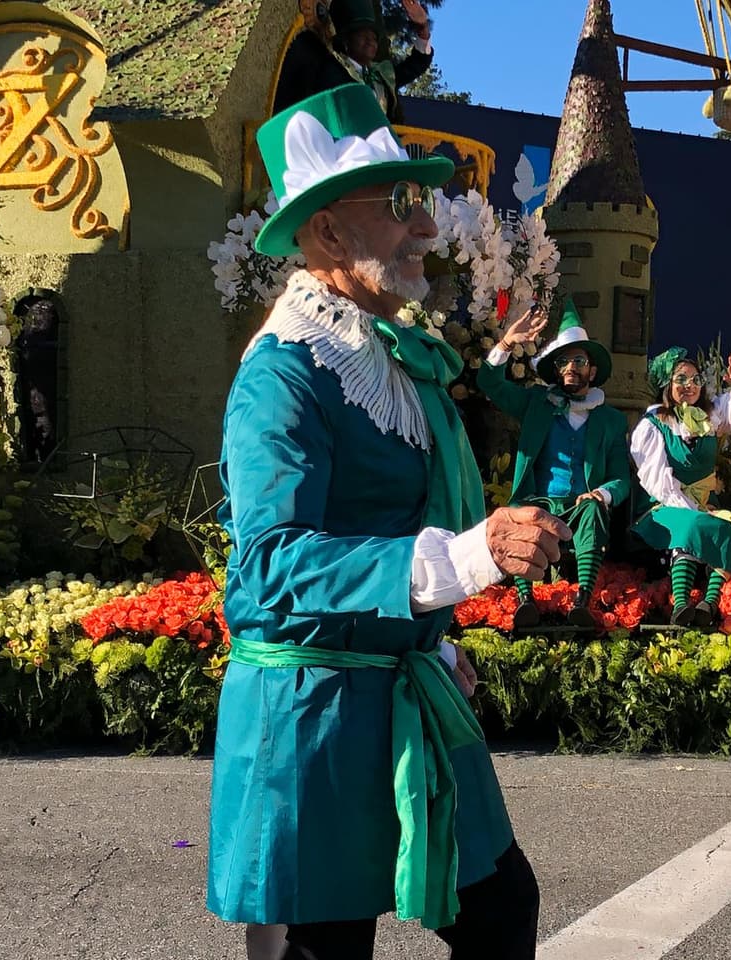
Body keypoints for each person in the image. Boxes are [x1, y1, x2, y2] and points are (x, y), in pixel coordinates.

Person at [206, 83, 570, 960]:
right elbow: (270, 567)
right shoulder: (282, 376)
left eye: (424, 203)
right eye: (402, 204)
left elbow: (384, 515)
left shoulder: (378, 352)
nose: (428, 229)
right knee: (326, 949)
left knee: (497, 906)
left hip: (395, 689)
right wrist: (466, 560)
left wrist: (434, 643)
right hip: (313, 719)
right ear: (327, 233)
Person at [477, 299, 631, 630]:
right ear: (556, 369)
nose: (571, 367)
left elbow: (621, 479)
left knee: (592, 509)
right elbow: (489, 384)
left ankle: (582, 602)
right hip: (539, 501)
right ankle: (525, 601)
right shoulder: (536, 402)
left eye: (579, 360)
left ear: (592, 370)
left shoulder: (611, 420)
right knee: (524, 512)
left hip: (580, 506)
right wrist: (506, 343)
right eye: (563, 361)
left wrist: (601, 495)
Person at [629, 347, 731, 628]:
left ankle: (708, 603)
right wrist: (692, 509)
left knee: (728, 526)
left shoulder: (710, 417)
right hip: (663, 506)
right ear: (667, 385)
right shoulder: (653, 425)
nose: (689, 385)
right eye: (681, 378)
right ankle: (681, 605)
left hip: (704, 503)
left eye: (695, 378)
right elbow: (656, 481)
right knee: (690, 526)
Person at [274, 0, 435, 121]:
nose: (371, 41)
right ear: (346, 41)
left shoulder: (383, 76)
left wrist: (422, 26)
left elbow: (418, 63)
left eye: (374, 37)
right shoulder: (329, 67)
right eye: (363, 35)